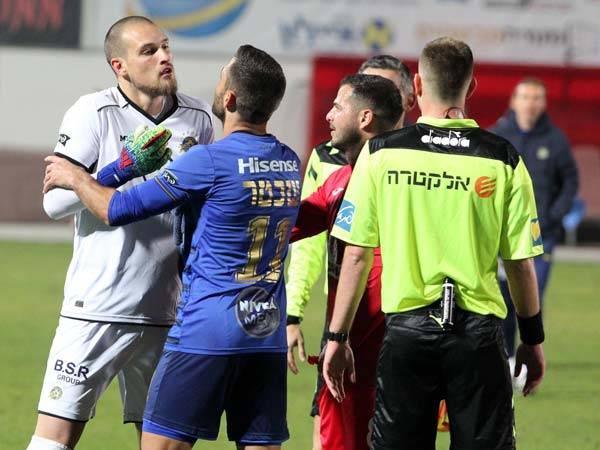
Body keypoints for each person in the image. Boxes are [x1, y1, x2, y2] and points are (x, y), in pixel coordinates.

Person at [43, 44, 298, 450]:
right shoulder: (289, 162)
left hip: (207, 328)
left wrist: (76, 176)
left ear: (230, 99)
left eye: (221, 78)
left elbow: (115, 208)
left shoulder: (208, 161)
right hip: (265, 332)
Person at [323, 37, 546, 450]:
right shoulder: (503, 158)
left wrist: (336, 338)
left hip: (406, 335)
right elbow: (520, 263)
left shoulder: (380, 153)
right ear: (472, 87)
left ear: (418, 85)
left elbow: (355, 254)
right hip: (478, 337)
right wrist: (532, 340)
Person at [27, 16, 214, 450]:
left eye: (165, 46)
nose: (165, 57)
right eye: (149, 51)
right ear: (120, 66)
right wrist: (118, 171)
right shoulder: (93, 112)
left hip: (168, 313)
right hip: (96, 309)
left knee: (164, 446)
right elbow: (54, 204)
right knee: (53, 442)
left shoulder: (199, 117)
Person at [285, 55, 414, 450]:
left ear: (365, 118)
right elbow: (287, 227)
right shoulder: (339, 179)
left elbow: (357, 258)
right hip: (361, 349)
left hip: (376, 351)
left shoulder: (393, 182)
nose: (328, 115)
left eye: (337, 106)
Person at [491, 78, 578, 362]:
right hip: (502, 235)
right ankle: (506, 354)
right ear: (514, 101)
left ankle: (528, 347)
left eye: (537, 97)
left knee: (532, 295)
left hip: (542, 236)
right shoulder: (495, 138)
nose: (531, 103)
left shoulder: (556, 140)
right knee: (503, 298)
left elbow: (570, 182)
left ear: (544, 103)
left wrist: (553, 217)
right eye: (526, 97)